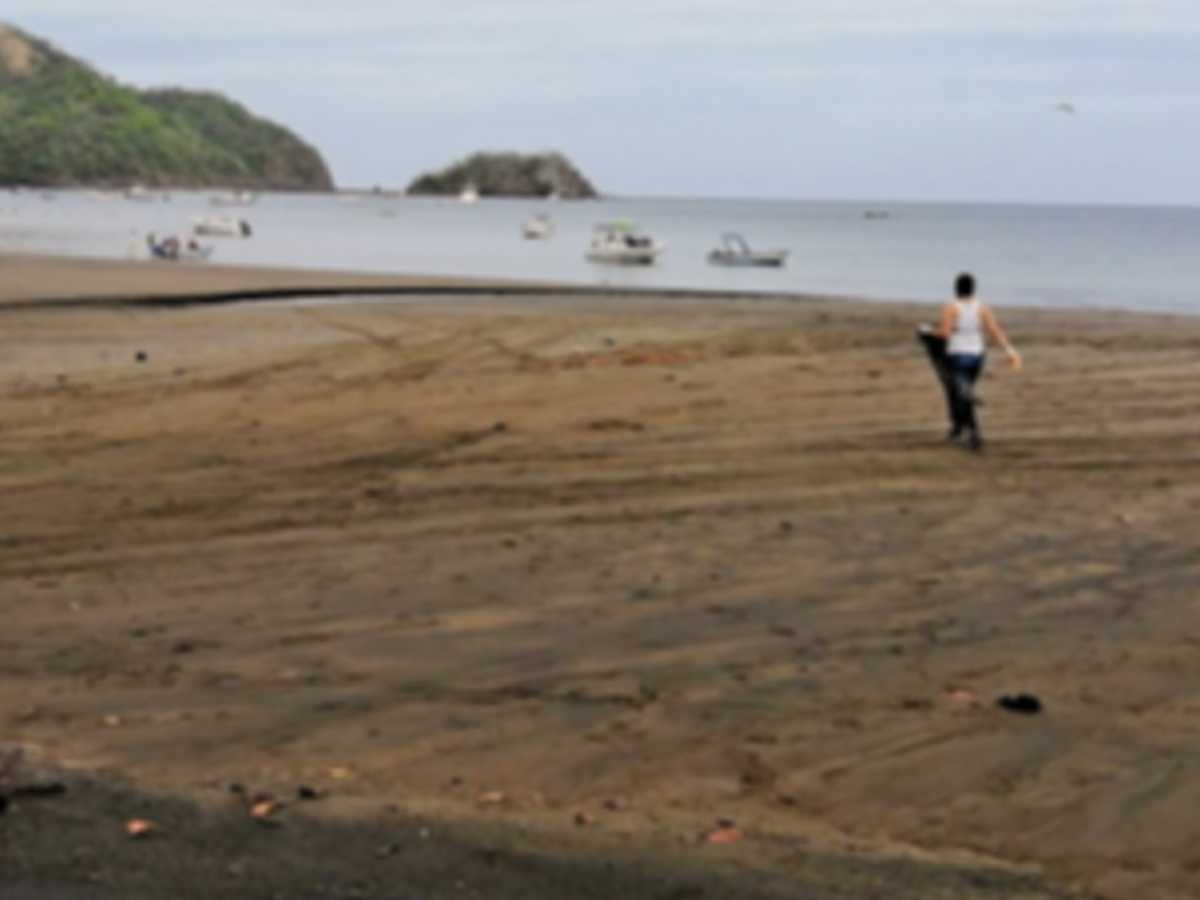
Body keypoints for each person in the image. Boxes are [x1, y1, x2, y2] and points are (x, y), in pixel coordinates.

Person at [934, 272, 1021, 451]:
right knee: (962, 392)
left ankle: (973, 432)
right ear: (973, 289)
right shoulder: (982, 308)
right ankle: (960, 427)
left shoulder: (951, 308)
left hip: (957, 355)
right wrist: (1009, 350)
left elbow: (945, 334)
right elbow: (994, 330)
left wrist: (931, 332)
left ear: (956, 288)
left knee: (960, 393)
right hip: (977, 356)